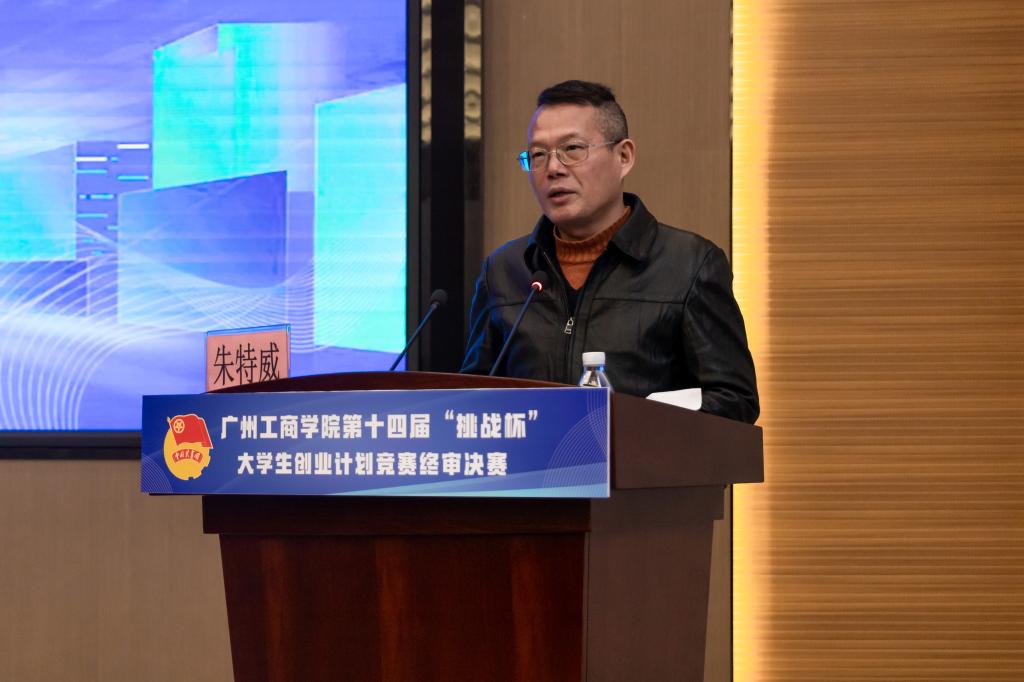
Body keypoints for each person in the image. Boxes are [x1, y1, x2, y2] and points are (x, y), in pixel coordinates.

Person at [461, 80, 759, 423]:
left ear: (624, 157)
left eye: (572, 149)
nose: (553, 168)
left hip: (643, 457)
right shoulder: (505, 271)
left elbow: (735, 402)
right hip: (535, 460)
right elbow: (471, 402)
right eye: (539, 155)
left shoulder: (689, 265)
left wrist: (631, 425)